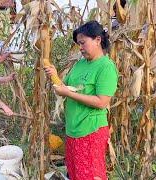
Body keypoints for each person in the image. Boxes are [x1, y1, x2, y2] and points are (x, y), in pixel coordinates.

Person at [44, 21, 118, 179]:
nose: (81, 48)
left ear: (98, 40)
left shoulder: (105, 67)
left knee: (90, 174)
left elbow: (101, 102)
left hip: (91, 131)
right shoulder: (80, 64)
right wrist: (54, 75)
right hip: (73, 130)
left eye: (83, 43)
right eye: (79, 44)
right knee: (76, 173)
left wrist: (68, 93)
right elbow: (65, 89)